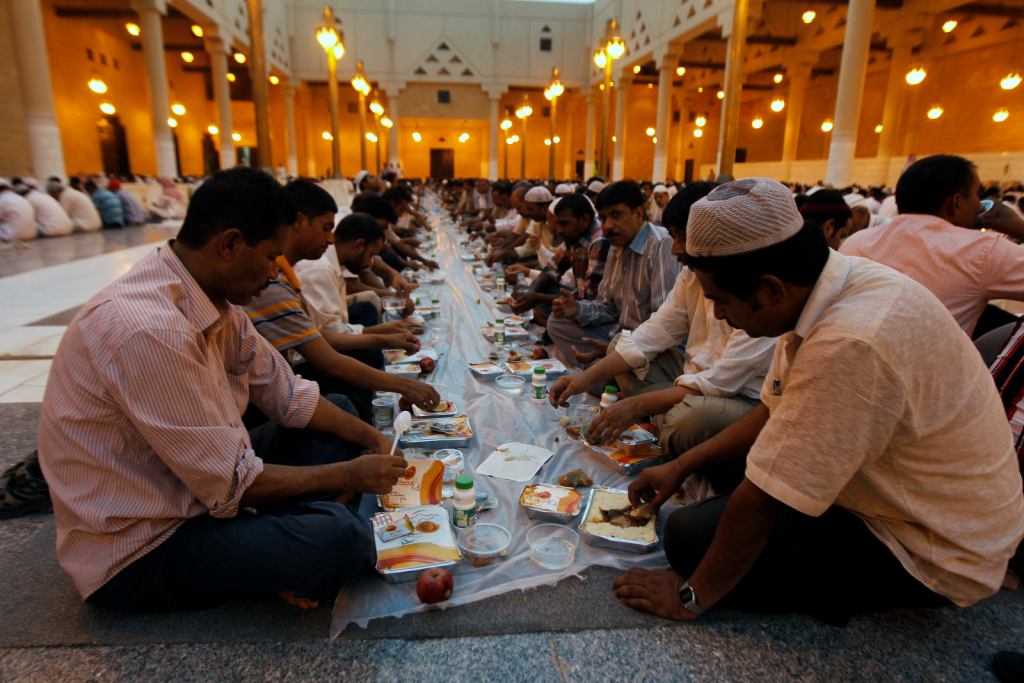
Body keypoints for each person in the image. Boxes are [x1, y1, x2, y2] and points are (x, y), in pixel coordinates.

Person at [612, 177, 1024, 626]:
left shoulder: (851, 341)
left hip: (932, 547)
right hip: (895, 495)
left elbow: (769, 494)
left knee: (687, 540)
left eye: (722, 301)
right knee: (707, 502)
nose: (719, 315)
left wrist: (692, 597)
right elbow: (774, 410)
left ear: (770, 288)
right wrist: (680, 466)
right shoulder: (835, 281)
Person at [38, 167, 407, 611]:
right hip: (144, 543)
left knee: (339, 414)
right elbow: (233, 481)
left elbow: (289, 395)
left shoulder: (214, 300)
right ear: (230, 245)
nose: (275, 272)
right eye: (272, 257)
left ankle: (288, 538)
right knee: (339, 536)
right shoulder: (148, 329)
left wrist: (370, 439)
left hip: (198, 486)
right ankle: (298, 539)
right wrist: (349, 475)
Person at [550, 184, 774, 469]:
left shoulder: (757, 292)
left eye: (681, 237)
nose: (676, 247)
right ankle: (661, 416)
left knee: (686, 421)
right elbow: (654, 331)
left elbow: (722, 380)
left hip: (737, 397)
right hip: (691, 379)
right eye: (674, 236)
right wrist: (583, 378)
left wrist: (638, 405)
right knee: (621, 345)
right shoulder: (692, 275)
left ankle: (663, 420)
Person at [245, 200, 437, 422]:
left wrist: (383, 331)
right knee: (350, 384)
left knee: (367, 307)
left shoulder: (287, 276)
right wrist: (400, 380)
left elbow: (319, 334)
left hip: (298, 362)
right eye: (326, 228)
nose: (330, 238)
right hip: (296, 369)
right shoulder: (288, 279)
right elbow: (329, 357)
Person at [841, 155, 1024, 336]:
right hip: (927, 364)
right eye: (977, 195)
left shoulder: (855, 243)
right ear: (956, 202)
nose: (979, 203)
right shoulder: (982, 250)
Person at [547, 181, 678, 369]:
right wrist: (576, 309)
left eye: (616, 214)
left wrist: (616, 349)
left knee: (592, 380)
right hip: (618, 335)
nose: (607, 225)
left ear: (639, 213)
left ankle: (607, 373)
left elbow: (662, 323)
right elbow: (607, 307)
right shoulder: (615, 246)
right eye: (603, 217)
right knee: (557, 322)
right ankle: (606, 373)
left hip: (648, 346)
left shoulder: (661, 244)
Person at [506, 193, 609, 326]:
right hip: (580, 298)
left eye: (564, 223)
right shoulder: (573, 236)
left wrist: (537, 297)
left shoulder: (599, 241)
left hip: (597, 310)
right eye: (557, 224)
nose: (559, 230)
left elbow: (588, 297)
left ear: (584, 220)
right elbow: (552, 269)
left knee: (554, 320)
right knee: (534, 290)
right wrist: (530, 293)